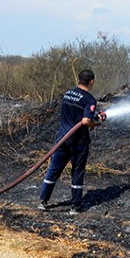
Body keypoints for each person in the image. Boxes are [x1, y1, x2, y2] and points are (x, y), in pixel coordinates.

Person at [38, 69, 106, 215]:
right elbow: (85, 120)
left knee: (54, 169)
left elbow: (75, 113)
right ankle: (75, 207)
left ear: (79, 79)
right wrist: (96, 123)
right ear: (91, 81)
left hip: (62, 139)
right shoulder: (89, 99)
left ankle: (43, 201)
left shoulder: (68, 94)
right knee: (77, 172)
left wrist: (91, 118)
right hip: (78, 142)